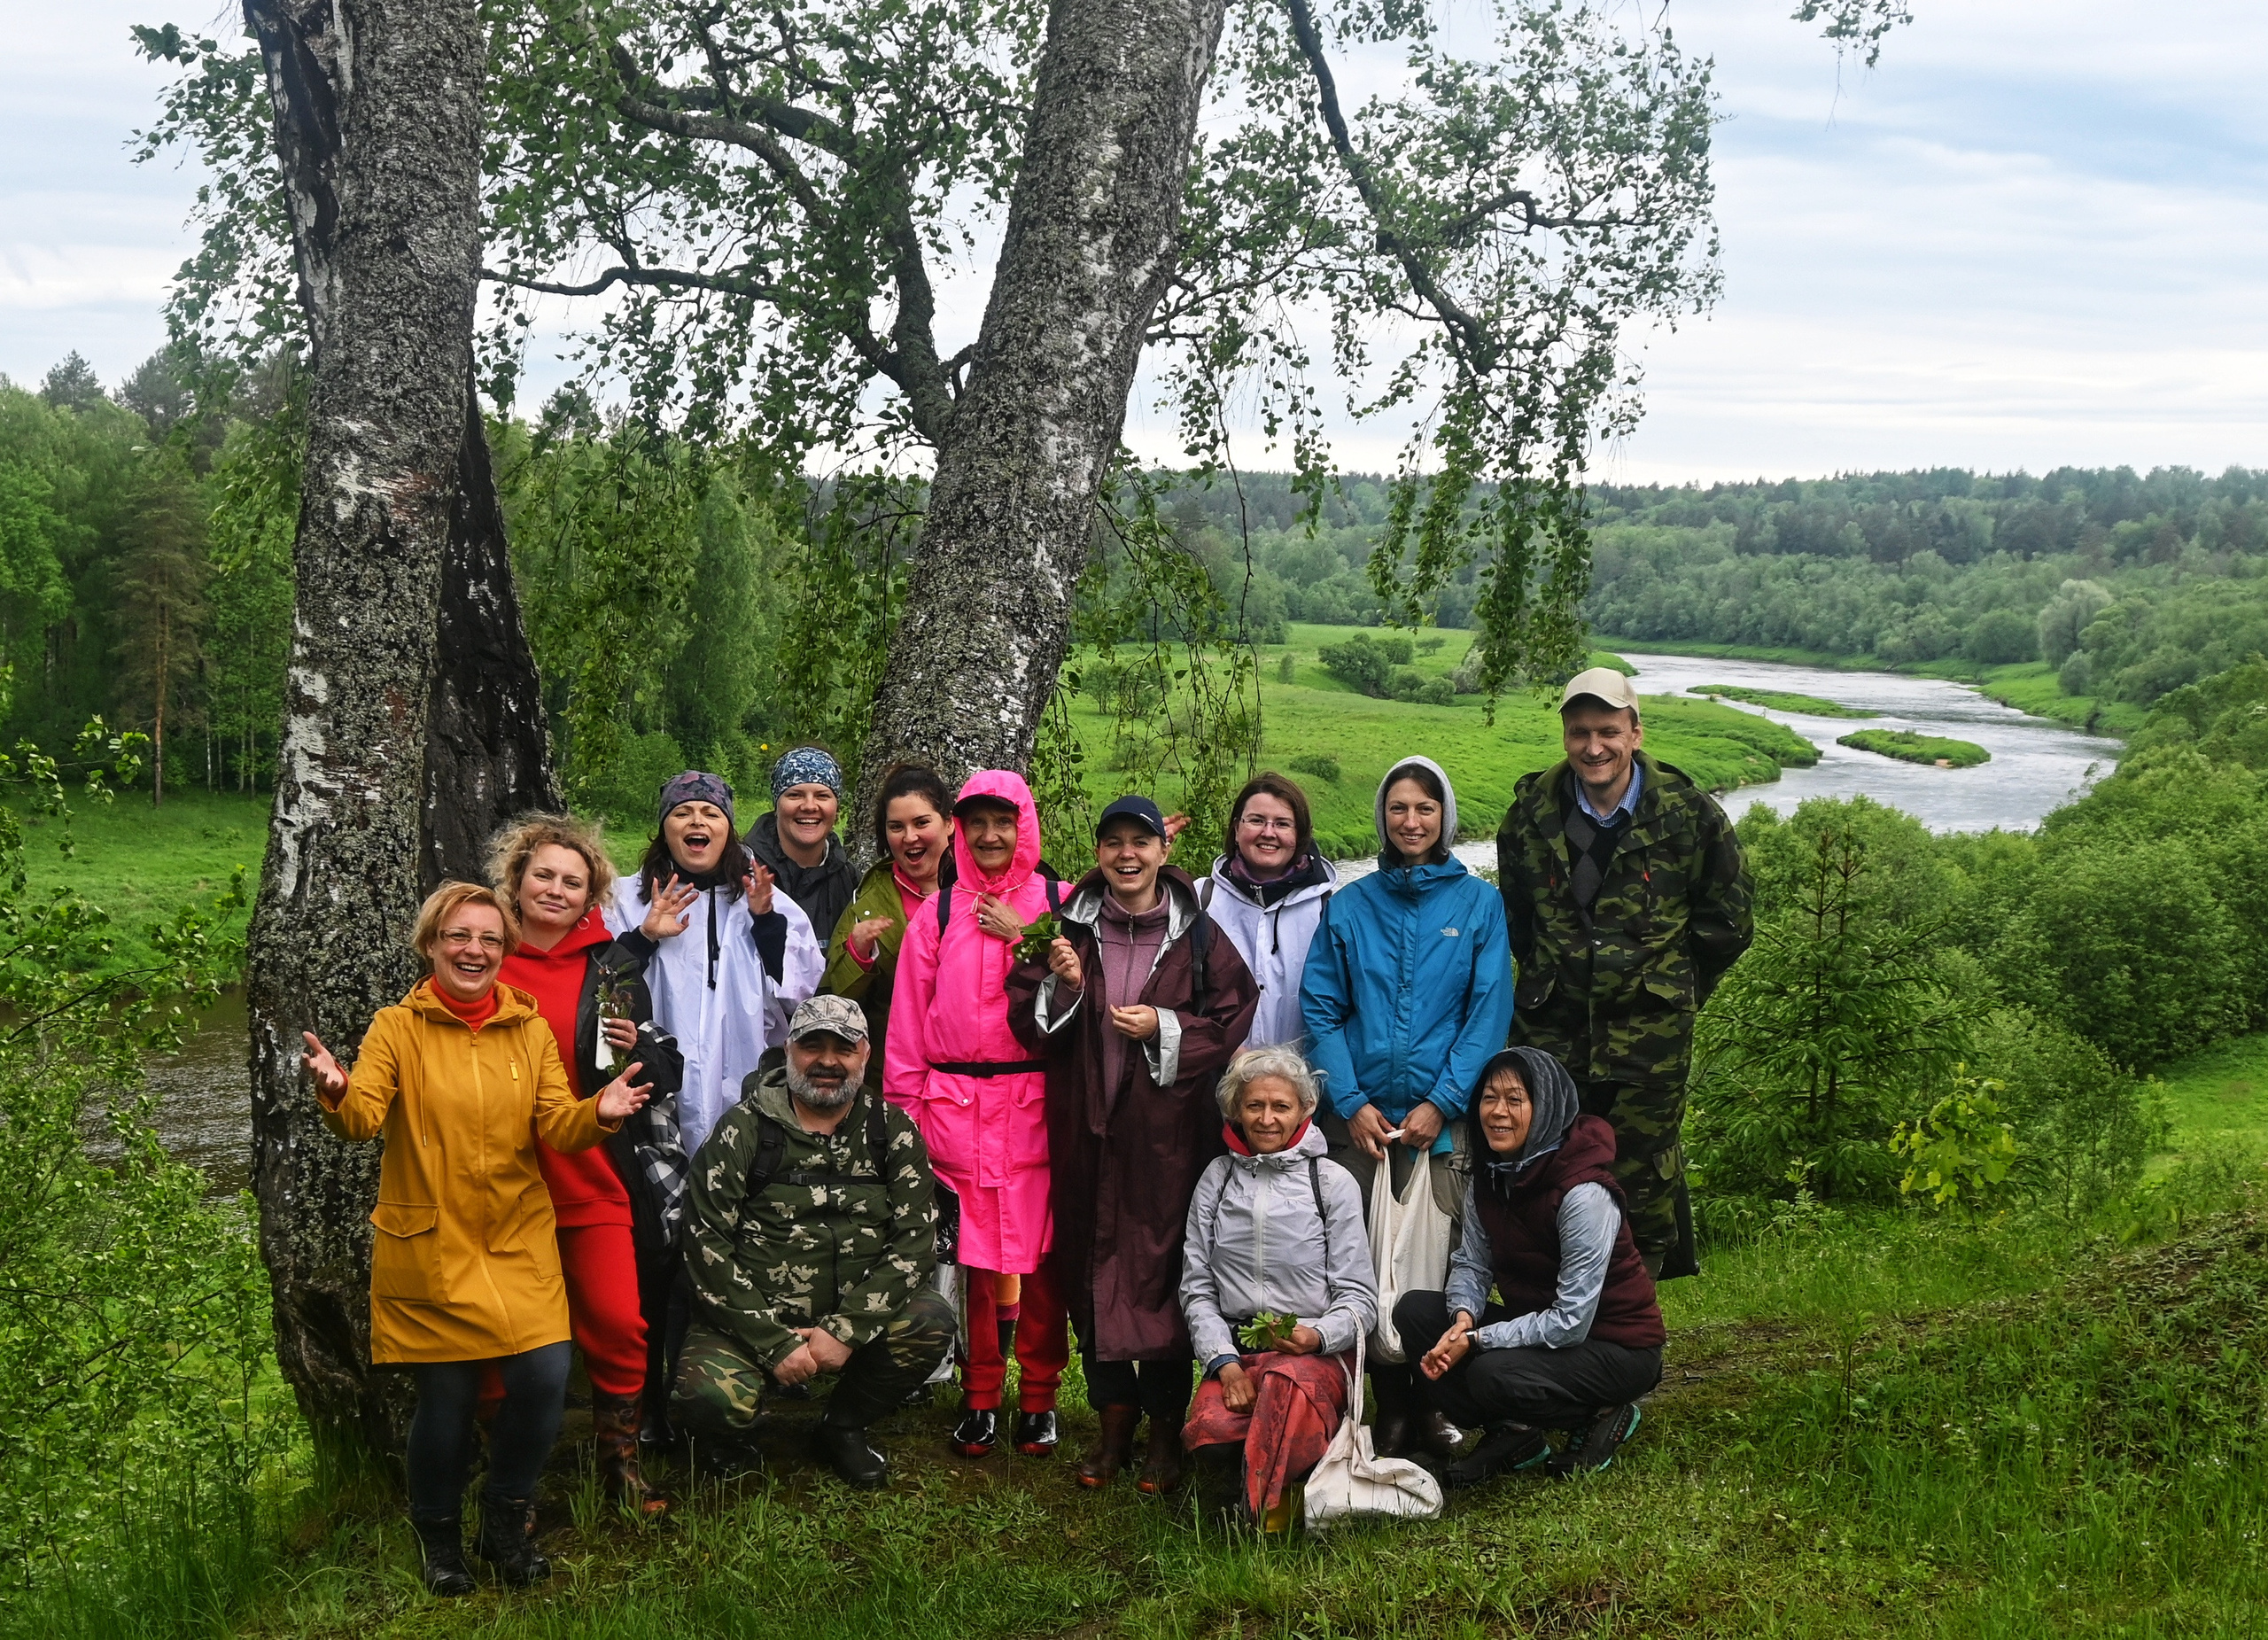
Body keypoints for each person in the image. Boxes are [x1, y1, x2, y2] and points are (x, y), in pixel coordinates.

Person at [300, 882, 652, 1595]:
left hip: (519, 1237)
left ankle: (503, 1521)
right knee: (450, 1397)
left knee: (545, 1378)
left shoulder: (526, 1028)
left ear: (503, 952)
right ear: (432, 944)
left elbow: (557, 1122)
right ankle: (439, 1543)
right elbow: (364, 1116)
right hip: (432, 1241)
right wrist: (336, 1089)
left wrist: (601, 1110)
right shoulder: (396, 1027)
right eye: (460, 936)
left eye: (490, 940)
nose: (475, 950)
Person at [1008, 794, 1260, 1494]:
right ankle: (1111, 1428)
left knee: (1165, 1279)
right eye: (1113, 842)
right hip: (1085, 1134)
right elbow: (1027, 1020)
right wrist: (1063, 985)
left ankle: (1162, 1438)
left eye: (1140, 842)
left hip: (1168, 1142)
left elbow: (1234, 1013)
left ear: (1163, 852)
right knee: (1094, 1278)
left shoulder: (1200, 936)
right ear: (1098, 854)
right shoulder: (1066, 930)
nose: (1127, 854)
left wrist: (1166, 1027)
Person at [1495, 666, 1753, 1279]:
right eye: (1580, 731)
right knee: (1548, 1174)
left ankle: (1632, 1336)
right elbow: (1516, 921)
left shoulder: (1691, 816)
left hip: (1650, 1045)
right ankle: (1557, 1329)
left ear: (1635, 732)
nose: (1593, 747)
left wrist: (1675, 991)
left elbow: (1729, 924)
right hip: (1552, 1038)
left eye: (1608, 730)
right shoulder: (1528, 816)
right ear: (1565, 734)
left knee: (1642, 1179)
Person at [1299, 755, 1513, 1460]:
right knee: (1360, 1261)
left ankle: (1432, 1404)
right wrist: (1351, 1101)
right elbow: (1323, 1006)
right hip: (1360, 1127)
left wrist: (1444, 1101)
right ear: (1382, 818)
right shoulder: (1351, 905)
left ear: (1446, 816)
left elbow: (1486, 1011)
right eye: (1398, 808)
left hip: (1439, 1127)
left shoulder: (1478, 904)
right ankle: (1385, 1409)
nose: (1411, 820)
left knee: (1440, 1263)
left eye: (1425, 807)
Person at [484, 814, 684, 1515]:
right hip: (502, 1182)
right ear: (516, 878)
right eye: (543, 874)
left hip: (594, 1173)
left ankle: (620, 1468)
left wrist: (642, 1050)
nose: (556, 889)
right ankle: (512, 1486)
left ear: (591, 893)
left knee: (619, 1319)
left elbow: (652, 1065)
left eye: (573, 880)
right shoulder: (483, 955)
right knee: (499, 1334)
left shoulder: (614, 965)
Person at [672, 996, 952, 1488]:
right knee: (709, 1396)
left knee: (929, 1321)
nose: (827, 1061)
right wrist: (774, 1342)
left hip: (853, 1314)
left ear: (865, 1055)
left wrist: (845, 1330)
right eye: (812, 1046)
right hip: (753, 1315)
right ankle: (731, 1440)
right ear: (789, 1051)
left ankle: (842, 1426)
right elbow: (704, 1243)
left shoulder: (892, 1130)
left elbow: (915, 1244)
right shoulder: (743, 1129)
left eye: (843, 1048)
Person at [883, 770, 1072, 1459]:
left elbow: (1082, 996)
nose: (990, 836)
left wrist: (1026, 932)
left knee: (1041, 1260)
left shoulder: (1061, 902)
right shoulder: (937, 914)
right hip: (954, 1108)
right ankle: (981, 1392)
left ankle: (1043, 1395)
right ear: (960, 830)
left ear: (1025, 824)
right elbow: (907, 1028)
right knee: (972, 1263)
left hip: (1035, 1108)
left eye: (1004, 821)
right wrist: (903, 1123)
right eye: (977, 823)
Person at [1384, 1047, 1665, 1487]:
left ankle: (1604, 1411)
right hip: (1546, 1332)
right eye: (1489, 1098)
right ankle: (1514, 1433)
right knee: (1415, 1313)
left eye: (1515, 1100)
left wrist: (1477, 1341)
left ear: (1546, 1106)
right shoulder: (1490, 1176)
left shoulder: (1584, 1193)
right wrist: (1462, 1319)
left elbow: (1571, 1321)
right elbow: (1473, 1264)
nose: (1497, 1112)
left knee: (1491, 1372)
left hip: (1617, 1347)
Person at [1179, 1045, 1375, 1529]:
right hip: (1240, 1354)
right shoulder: (1217, 1178)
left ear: (1305, 1111)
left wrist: (1317, 1337)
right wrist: (1224, 1365)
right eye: (1254, 1106)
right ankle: (1279, 1487)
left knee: (1285, 1387)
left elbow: (1361, 1301)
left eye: (1281, 1107)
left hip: (1315, 1357)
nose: (1267, 1119)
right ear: (1235, 1112)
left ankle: (1257, 1513)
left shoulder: (1330, 1182)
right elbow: (1197, 1288)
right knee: (1209, 1430)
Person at [605, 770, 823, 1165]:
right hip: (651, 1087)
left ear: (728, 829)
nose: (697, 821)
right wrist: (645, 937)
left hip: (743, 1082)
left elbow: (802, 996)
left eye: (711, 812)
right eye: (682, 812)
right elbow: (600, 992)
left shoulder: (767, 905)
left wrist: (766, 925)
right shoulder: (625, 901)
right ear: (663, 829)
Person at [822, 761, 956, 1094]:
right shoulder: (867, 901)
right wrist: (857, 956)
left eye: (922, 822)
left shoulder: (984, 888)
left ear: (950, 823)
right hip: (891, 1080)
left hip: (968, 1078)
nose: (910, 837)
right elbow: (831, 1004)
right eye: (896, 826)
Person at [1198, 773, 1339, 1049]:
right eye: (1256, 820)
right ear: (1236, 829)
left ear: (1300, 835)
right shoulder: (1199, 900)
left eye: (1283, 824)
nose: (1268, 833)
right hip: (1214, 1083)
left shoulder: (1328, 909)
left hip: (1302, 1083)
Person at [750, 743, 861, 945]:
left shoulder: (850, 883)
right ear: (777, 805)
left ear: (836, 808)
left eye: (822, 796)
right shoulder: (743, 874)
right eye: (795, 795)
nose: (809, 806)